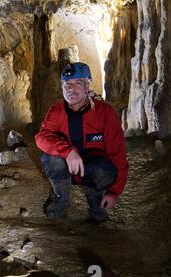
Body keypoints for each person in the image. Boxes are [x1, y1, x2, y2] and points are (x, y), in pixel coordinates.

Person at [35, 62, 128, 222]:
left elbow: (118, 154)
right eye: (66, 84)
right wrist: (68, 151)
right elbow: (41, 138)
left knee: (104, 168)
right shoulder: (57, 110)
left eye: (77, 83)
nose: (70, 88)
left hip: (92, 168)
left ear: (87, 85)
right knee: (51, 159)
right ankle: (61, 198)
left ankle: (95, 202)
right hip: (68, 168)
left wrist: (115, 192)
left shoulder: (104, 112)